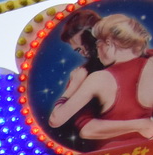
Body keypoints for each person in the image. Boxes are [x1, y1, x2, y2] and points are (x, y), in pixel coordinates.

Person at [48, 13, 153, 147]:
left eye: (91, 42)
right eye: (79, 50)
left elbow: (59, 120)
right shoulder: (87, 75)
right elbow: (85, 127)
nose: (86, 52)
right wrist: (141, 124)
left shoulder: (146, 58)